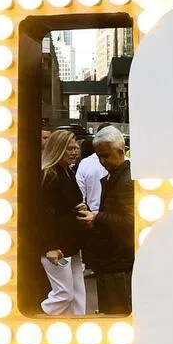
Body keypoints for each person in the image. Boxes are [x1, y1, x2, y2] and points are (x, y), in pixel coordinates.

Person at [80, 127, 134, 315]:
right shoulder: (119, 176)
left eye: (106, 156)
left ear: (120, 152)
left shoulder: (126, 181)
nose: (102, 162)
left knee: (118, 312)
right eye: (99, 157)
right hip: (113, 260)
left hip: (118, 262)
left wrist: (97, 217)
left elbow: (129, 222)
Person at [39, 129, 89, 316]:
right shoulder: (50, 176)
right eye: (70, 149)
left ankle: (77, 325)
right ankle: (40, 316)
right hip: (57, 244)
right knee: (64, 294)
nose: (75, 152)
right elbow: (44, 214)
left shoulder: (67, 172)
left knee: (77, 294)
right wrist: (50, 245)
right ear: (58, 149)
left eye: (76, 148)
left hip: (70, 242)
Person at [76, 145, 109, 213]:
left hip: (92, 212)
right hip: (119, 214)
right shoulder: (128, 162)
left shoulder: (85, 163)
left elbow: (80, 193)